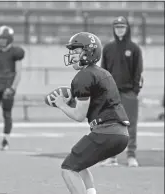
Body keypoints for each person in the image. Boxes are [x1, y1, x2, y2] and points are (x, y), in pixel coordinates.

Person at [50, 32, 129, 194]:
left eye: (76, 51)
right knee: (79, 165)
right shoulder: (103, 73)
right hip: (121, 134)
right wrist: (73, 98)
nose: (72, 55)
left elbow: (79, 116)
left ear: (89, 52)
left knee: (68, 168)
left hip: (106, 132)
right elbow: (99, 100)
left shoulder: (83, 77)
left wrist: (61, 104)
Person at [101, 16, 143, 167]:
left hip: (129, 93)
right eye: (117, 27)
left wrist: (135, 91)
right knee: (112, 125)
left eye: (122, 27)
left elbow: (138, 72)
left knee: (130, 125)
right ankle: (112, 157)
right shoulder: (108, 48)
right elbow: (103, 72)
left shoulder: (134, 48)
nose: (120, 29)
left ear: (127, 28)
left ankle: (131, 156)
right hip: (111, 94)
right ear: (114, 29)